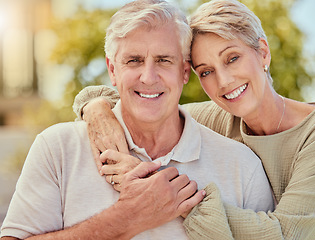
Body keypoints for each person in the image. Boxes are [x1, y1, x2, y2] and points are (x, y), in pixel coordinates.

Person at [73, 0, 315, 239]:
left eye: (232, 58)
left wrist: (158, 187)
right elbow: (145, 105)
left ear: (262, 52)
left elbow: (285, 233)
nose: (223, 81)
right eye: (206, 71)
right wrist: (96, 107)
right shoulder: (219, 117)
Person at [0, 0, 274, 239]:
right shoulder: (57, 148)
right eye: (133, 60)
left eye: (164, 60)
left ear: (184, 71)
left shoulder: (243, 167)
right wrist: (127, 217)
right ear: (112, 70)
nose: (148, 76)